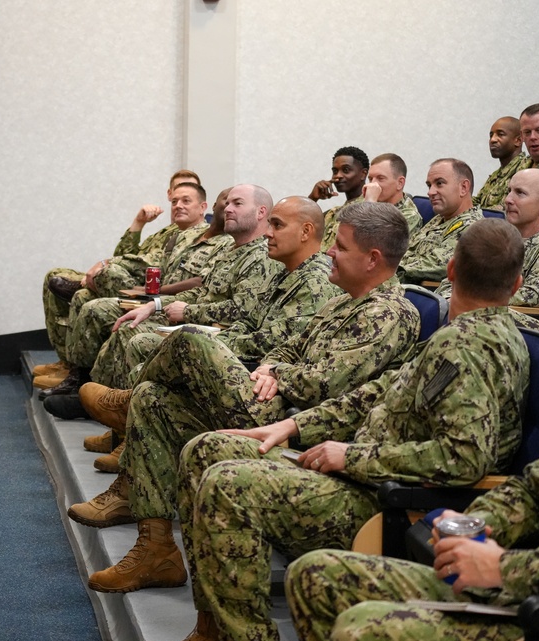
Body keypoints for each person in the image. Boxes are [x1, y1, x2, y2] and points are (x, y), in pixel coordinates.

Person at [123, 217, 530, 641]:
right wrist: (293, 429)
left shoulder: (468, 346)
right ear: (517, 283)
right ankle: (213, 634)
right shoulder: (461, 335)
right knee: (206, 450)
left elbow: (462, 460)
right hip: (354, 466)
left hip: (383, 498)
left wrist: (351, 456)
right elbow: (376, 393)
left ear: (450, 270)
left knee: (227, 485)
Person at [70, 203, 422, 599]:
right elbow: (287, 348)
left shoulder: (391, 312)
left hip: (295, 423)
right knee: (154, 401)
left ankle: (124, 404)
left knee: (189, 340)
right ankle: (156, 550)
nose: (329, 254)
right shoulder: (342, 301)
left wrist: (277, 374)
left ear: (373, 259)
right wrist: (272, 368)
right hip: (268, 399)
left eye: (339, 246)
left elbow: (328, 383)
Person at [286, 444, 539, 641]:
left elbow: (464, 456)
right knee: (313, 576)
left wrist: (502, 567)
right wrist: (474, 523)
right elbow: (531, 491)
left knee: (360, 633)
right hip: (523, 588)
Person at [43, 183, 276, 398]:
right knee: (125, 319)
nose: (227, 209)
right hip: (182, 311)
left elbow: (241, 311)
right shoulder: (231, 251)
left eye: (237, 204)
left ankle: (111, 402)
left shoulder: (260, 255)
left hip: (220, 332)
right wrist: (154, 305)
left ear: (261, 212)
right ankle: (95, 393)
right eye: (226, 203)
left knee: (133, 334)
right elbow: (200, 291)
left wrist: (186, 311)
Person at [36, 171, 203, 387]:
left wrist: (107, 267)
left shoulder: (200, 234)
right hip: (136, 284)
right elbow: (123, 254)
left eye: (186, 199)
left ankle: (81, 377)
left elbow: (150, 266)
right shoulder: (166, 233)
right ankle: (71, 367)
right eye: (175, 199)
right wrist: (138, 223)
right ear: (169, 195)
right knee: (78, 291)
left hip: (151, 293)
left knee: (99, 284)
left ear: (202, 206)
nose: (179, 204)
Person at [438, 168, 539, 306]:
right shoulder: (492, 239)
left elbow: (538, 296)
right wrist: (449, 300)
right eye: (509, 191)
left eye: (520, 193)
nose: (507, 200)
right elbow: (455, 278)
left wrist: (470, 299)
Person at [397, 158, 483, 285]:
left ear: (463, 187)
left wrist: (386, 269)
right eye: (429, 185)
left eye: (440, 183)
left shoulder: (475, 229)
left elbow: (438, 264)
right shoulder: (439, 219)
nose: (430, 192)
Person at [307, 146, 369, 251]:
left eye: (346, 170)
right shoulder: (333, 213)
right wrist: (312, 199)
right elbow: (298, 228)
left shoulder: (372, 208)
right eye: (335, 171)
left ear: (363, 174)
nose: (338, 176)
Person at [473, 116, 531, 211]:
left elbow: (506, 208)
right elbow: (477, 201)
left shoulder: (526, 169)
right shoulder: (496, 175)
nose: (493, 140)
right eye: (491, 135)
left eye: (500, 134)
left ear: (518, 141)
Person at [362, 153, 423, 233]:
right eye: (370, 179)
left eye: (380, 178)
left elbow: (368, 240)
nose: (372, 184)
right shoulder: (375, 203)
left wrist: (369, 203)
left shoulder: (408, 216)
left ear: (400, 183)